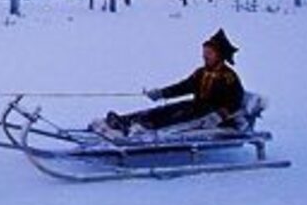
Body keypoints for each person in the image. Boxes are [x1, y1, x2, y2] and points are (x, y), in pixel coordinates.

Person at [103, 29, 245, 135]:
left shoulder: (228, 77)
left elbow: (236, 101)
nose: (204, 56)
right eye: (204, 52)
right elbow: (183, 87)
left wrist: (219, 116)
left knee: (174, 118)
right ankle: (124, 121)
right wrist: (162, 93)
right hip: (196, 106)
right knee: (165, 110)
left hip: (210, 114)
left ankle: (141, 129)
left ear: (219, 55)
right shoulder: (201, 72)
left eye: (209, 53)